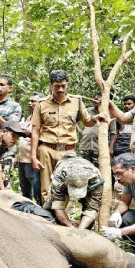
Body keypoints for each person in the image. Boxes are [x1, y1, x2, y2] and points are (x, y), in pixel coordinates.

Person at [31, 69, 108, 202]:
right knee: (46, 187)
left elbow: (88, 122)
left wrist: (96, 118)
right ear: (51, 86)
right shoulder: (41, 104)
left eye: (63, 86)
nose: (60, 89)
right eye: (57, 86)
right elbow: (35, 130)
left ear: (67, 84)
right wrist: (33, 156)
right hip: (46, 150)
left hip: (68, 151)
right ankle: (48, 215)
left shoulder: (76, 101)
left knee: (66, 184)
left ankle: (61, 214)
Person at [43, 152, 104, 230]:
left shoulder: (96, 179)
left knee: (89, 214)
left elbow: (91, 209)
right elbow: (58, 208)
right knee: (50, 209)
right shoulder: (59, 178)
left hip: (90, 185)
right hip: (63, 177)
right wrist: (70, 227)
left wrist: (80, 230)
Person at [17, 93, 44, 203]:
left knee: (36, 188)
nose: (29, 103)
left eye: (33, 101)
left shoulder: (43, 119)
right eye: (29, 100)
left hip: (32, 159)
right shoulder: (28, 118)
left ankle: (41, 211)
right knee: (25, 190)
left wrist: (28, 133)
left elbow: (41, 138)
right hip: (22, 159)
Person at [78, 94, 117, 167]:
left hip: (99, 148)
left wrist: (110, 148)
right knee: (83, 168)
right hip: (85, 145)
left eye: (99, 100)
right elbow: (82, 125)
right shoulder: (88, 111)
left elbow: (113, 133)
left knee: (98, 169)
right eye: (95, 99)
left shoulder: (110, 114)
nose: (96, 101)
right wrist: (78, 129)